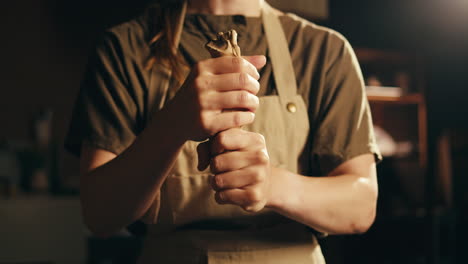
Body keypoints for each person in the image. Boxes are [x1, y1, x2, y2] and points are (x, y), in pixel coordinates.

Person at [65, 0, 382, 263]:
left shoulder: (323, 51)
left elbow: (360, 207)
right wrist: (173, 124)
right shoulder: (123, 49)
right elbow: (99, 213)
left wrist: (273, 185)